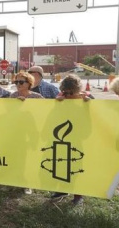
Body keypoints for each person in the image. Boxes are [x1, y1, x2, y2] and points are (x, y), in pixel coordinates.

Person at [51, 74, 91, 205]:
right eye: (65, 92)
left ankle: (78, 195)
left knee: (77, 165)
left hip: (80, 137)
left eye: (71, 92)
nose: (68, 95)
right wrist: (57, 103)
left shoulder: (87, 98)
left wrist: (87, 103)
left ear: (78, 90)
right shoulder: (61, 99)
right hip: (64, 137)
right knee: (61, 162)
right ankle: (62, 189)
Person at [10, 71, 43, 194]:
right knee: (18, 157)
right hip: (17, 132)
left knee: (30, 157)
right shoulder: (13, 96)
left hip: (32, 133)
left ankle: (28, 183)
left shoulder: (37, 97)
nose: (18, 84)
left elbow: (43, 113)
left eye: (21, 82)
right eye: (16, 82)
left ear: (29, 83)